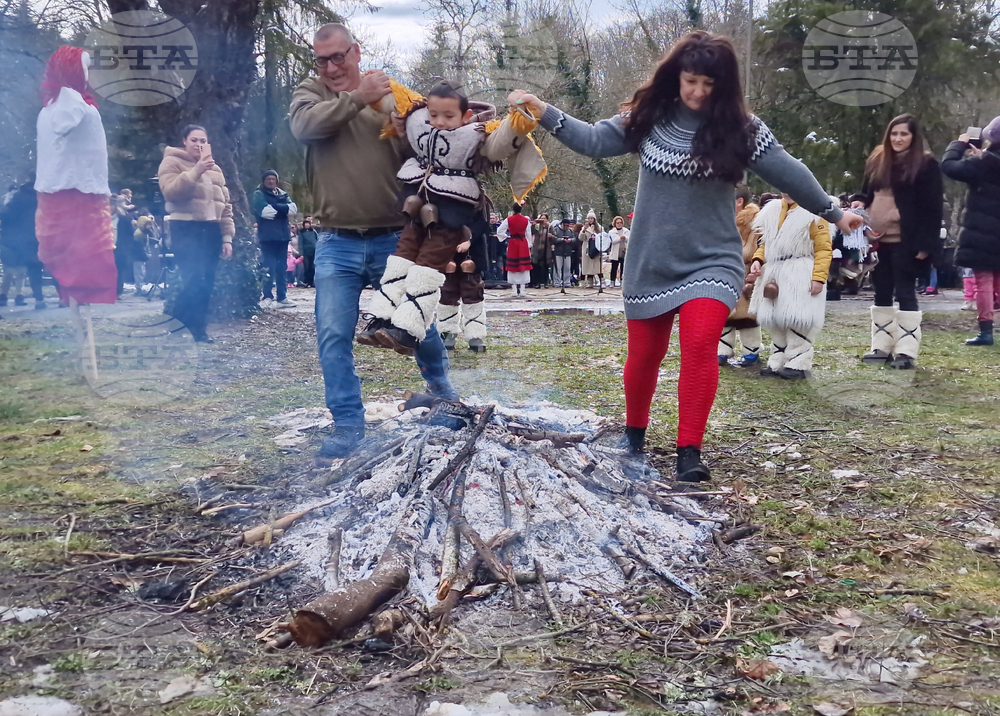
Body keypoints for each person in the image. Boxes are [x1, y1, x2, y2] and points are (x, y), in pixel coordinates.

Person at [510, 30, 861, 481]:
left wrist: (834, 211)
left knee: (699, 347)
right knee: (644, 357)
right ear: (677, 76)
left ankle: (688, 451)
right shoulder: (650, 117)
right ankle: (634, 434)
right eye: (690, 81)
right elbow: (595, 140)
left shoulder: (741, 131)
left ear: (724, 86)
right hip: (651, 259)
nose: (697, 92)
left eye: (708, 85)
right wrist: (544, 111)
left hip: (712, 260)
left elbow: (790, 171)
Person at [289, 22, 457, 458]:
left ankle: (443, 394)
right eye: (321, 59)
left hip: (393, 240)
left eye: (338, 57)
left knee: (420, 323)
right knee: (332, 334)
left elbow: (419, 158)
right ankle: (347, 424)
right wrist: (356, 98)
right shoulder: (309, 93)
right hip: (335, 241)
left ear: (356, 52)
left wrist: (411, 130)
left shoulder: (390, 97)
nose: (330, 67)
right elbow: (305, 128)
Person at [360, 79, 546, 354]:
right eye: (434, 115)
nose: (440, 122)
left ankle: (408, 330)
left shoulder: (476, 135)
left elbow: (502, 140)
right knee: (400, 260)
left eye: (448, 116)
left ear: (466, 115)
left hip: (450, 213)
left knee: (426, 267)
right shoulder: (416, 123)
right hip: (415, 207)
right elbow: (397, 101)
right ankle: (381, 317)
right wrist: (381, 85)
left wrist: (521, 116)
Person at [853, 114, 943, 369]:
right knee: (880, 291)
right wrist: (860, 201)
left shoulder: (926, 165)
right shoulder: (877, 159)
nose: (898, 139)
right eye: (894, 134)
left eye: (904, 134)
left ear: (913, 137)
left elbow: (932, 208)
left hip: (907, 239)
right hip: (877, 239)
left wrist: (926, 244)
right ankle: (881, 346)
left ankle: (906, 351)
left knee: (905, 291)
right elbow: (866, 191)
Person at [34, 46, 118, 307]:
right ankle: (81, 314)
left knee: (74, 258)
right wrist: (74, 99)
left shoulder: (48, 108)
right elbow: (64, 124)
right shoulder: (71, 101)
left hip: (63, 191)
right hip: (79, 194)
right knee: (84, 257)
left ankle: (80, 321)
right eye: (85, 68)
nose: (88, 74)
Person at [157, 124, 235, 343]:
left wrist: (226, 237)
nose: (199, 145)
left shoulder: (216, 169)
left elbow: (225, 206)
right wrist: (196, 171)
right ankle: (177, 324)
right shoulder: (172, 162)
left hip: (211, 229)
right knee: (193, 278)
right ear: (184, 141)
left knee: (207, 281)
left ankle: (198, 330)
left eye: (203, 141)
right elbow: (171, 193)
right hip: (185, 228)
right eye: (194, 140)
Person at [748, 194, 832, 379]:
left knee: (798, 318)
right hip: (774, 271)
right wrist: (758, 259)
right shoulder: (772, 211)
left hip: (801, 271)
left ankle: (798, 361)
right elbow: (767, 242)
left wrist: (818, 278)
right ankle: (777, 358)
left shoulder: (815, 212)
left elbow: (823, 248)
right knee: (775, 317)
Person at [940, 117, 1000, 346]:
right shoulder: (985, 162)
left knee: (983, 280)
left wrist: (959, 144)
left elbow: (948, 166)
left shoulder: (981, 165)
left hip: (981, 233)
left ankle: (986, 332)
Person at [717, 185, 761, 366]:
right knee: (723, 311)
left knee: (747, 313)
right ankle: (723, 349)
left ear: (739, 201)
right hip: (722, 269)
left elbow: (760, 248)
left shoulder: (756, 222)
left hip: (746, 269)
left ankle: (752, 349)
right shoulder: (721, 218)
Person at [437, 212, 489, 353]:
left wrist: (469, 239)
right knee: (447, 294)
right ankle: (447, 333)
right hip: (446, 249)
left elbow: (482, 222)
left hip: (472, 251)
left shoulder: (475, 198)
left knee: (473, 294)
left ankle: (475, 335)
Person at [252, 169, 298, 308]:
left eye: (273, 179)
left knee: (281, 267)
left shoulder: (283, 194)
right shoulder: (258, 194)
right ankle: (267, 296)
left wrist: (275, 207)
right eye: (268, 179)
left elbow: (293, 209)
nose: (271, 181)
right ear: (264, 181)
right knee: (268, 266)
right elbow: (265, 212)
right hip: (267, 236)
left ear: (276, 180)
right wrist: (283, 209)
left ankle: (282, 297)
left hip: (283, 236)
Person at [0, 180, 46, 309]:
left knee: (11, 268)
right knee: (29, 268)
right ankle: (36, 298)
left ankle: (7, 296)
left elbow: (4, 216)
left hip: (13, 239)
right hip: (32, 238)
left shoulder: (16, 198)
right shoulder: (40, 198)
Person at [497, 204, 533, 296]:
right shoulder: (526, 220)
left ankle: (513, 290)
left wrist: (507, 237)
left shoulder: (508, 219)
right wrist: (529, 244)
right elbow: (528, 233)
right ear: (521, 209)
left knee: (512, 265)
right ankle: (522, 290)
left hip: (513, 243)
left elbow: (499, 231)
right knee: (523, 265)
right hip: (523, 243)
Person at [579, 210, 604, 289]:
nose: (590, 220)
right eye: (589, 218)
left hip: (595, 247)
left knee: (596, 265)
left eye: (592, 218)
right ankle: (589, 281)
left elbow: (603, 237)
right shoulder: (584, 228)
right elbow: (581, 238)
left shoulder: (599, 227)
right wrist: (583, 230)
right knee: (588, 265)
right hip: (587, 247)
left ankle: (602, 281)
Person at [551, 217, 576, 293]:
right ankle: (557, 282)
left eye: (567, 226)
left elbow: (574, 239)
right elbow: (553, 239)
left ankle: (566, 282)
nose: (566, 227)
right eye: (565, 225)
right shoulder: (556, 230)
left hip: (567, 252)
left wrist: (570, 240)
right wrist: (560, 239)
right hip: (558, 252)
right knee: (557, 268)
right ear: (561, 225)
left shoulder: (570, 231)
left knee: (567, 268)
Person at [530, 214, 553, 288]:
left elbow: (554, 237)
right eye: (541, 218)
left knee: (546, 267)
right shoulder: (537, 227)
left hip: (546, 249)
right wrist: (533, 225)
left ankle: (546, 282)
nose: (543, 220)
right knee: (536, 266)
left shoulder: (549, 227)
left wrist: (551, 236)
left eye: (544, 218)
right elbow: (531, 232)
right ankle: (537, 283)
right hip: (537, 249)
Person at [608, 215, 629, 287]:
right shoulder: (612, 232)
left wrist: (625, 238)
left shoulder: (626, 231)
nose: (619, 224)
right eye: (617, 223)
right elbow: (613, 241)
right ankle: (612, 281)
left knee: (623, 267)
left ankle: (622, 281)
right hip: (615, 252)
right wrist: (620, 238)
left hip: (624, 250)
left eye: (620, 222)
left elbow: (629, 239)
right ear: (615, 223)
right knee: (614, 267)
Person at [298, 217, 318, 287]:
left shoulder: (313, 231)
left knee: (312, 266)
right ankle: (306, 281)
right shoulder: (301, 232)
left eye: (308, 224)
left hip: (313, 251)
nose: (307, 225)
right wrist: (301, 253)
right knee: (306, 267)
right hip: (306, 252)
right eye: (305, 224)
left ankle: (312, 281)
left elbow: (317, 240)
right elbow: (300, 243)